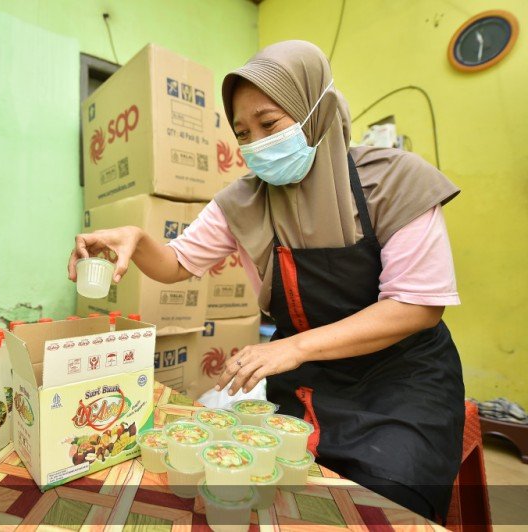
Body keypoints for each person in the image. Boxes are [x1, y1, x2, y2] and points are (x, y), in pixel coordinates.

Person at [67, 40, 464, 522]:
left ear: (314, 107)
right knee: (287, 500)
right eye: (242, 133)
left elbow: (417, 306)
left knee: (389, 504)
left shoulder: (396, 181)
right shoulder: (242, 202)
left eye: (269, 124)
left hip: (402, 380)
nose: (256, 143)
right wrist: (136, 238)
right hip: (308, 381)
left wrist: (291, 348)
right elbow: (175, 264)